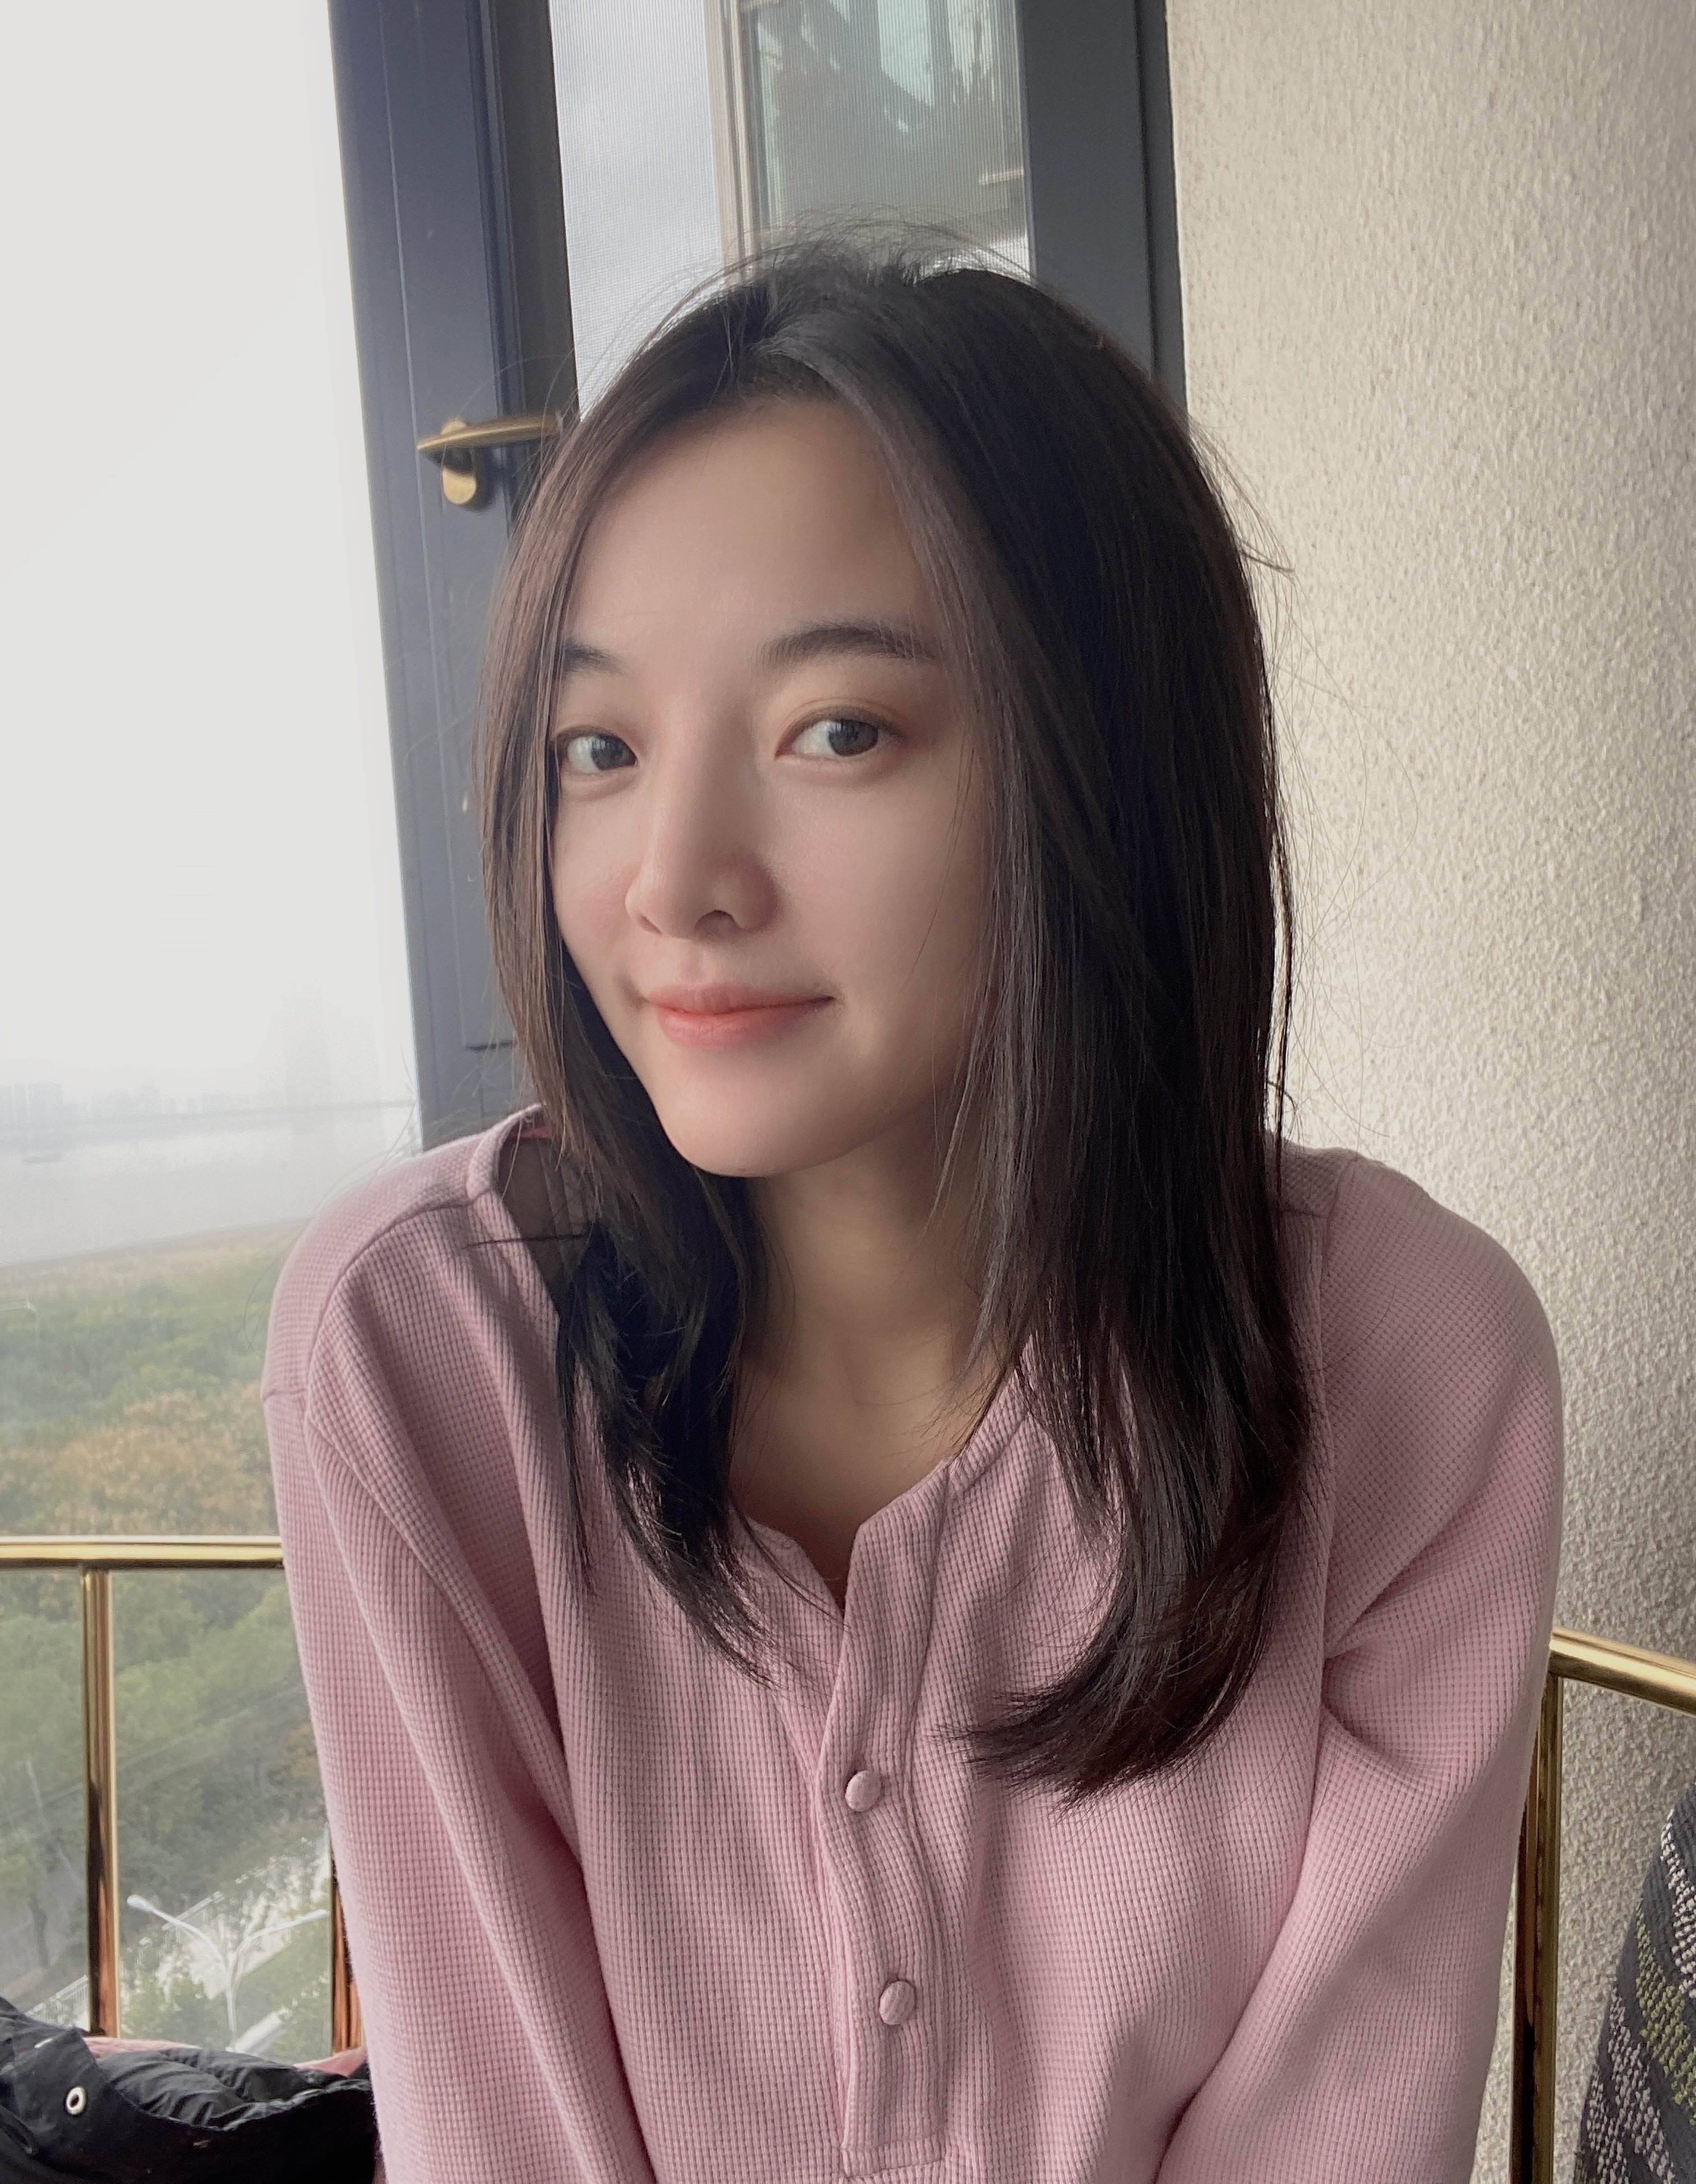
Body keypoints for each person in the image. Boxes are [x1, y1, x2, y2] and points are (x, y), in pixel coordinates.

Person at [262, 238, 1563, 2183]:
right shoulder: (422, 1355)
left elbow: (1340, 2124)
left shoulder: (1409, 1368)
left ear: (1106, 764)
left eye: (838, 730)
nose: (674, 880)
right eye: (599, 749)